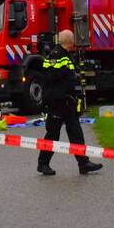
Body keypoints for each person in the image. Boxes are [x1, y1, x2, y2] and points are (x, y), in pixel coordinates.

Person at [36, 30, 102, 176]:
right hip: (56, 102)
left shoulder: (66, 55)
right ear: (69, 41)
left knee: (76, 133)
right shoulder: (55, 55)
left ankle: (83, 163)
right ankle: (43, 164)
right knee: (53, 134)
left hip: (67, 101)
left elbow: (69, 77)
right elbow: (50, 76)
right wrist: (66, 71)